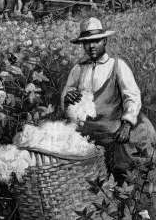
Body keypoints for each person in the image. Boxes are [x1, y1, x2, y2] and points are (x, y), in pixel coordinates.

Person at [61, 17, 156, 214]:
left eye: (96, 41)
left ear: (105, 41)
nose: (91, 46)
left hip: (114, 128)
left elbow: (132, 96)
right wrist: (67, 97)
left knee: (127, 172)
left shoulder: (117, 65)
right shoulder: (78, 69)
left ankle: (135, 210)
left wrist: (127, 124)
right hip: (90, 132)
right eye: (87, 43)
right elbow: (66, 95)